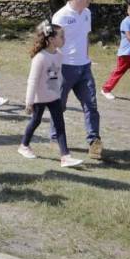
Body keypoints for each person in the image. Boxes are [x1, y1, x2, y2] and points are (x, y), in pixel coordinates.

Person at [19, 21, 83, 168]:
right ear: (51, 39)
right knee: (36, 121)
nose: (64, 39)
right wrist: (29, 102)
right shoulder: (40, 58)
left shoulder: (59, 55)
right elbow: (32, 80)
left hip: (54, 97)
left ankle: (65, 157)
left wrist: (59, 92)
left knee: (60, 125)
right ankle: (24, 146)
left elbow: (58, 75)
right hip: (39, 98)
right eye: (61, 36)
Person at [52, 0, 103, 159]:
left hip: (84, 67)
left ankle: (94, 141)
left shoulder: (87, 13)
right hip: (65, 67)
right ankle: (55, 136)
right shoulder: (60, 16)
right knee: (59, 105)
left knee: (91, 105)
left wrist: (87, 58)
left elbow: (86, 37)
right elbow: (53, 43)